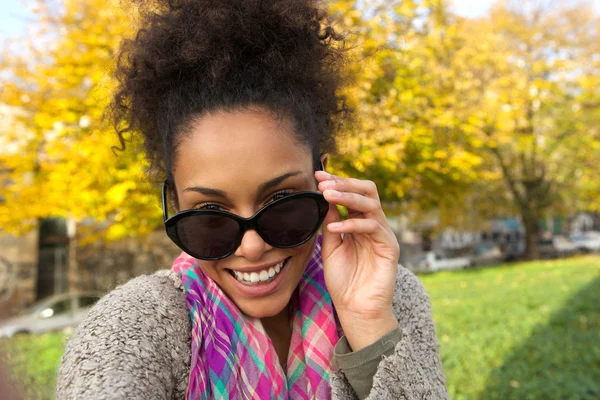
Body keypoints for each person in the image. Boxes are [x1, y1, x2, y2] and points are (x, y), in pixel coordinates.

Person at [56, 0, 448, 399]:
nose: (253, 246)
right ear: (174, 204)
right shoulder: (128, 331)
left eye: (282, 202)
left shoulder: (390, 296)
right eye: (210, 215)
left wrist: (369, 326)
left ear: (324, 181)